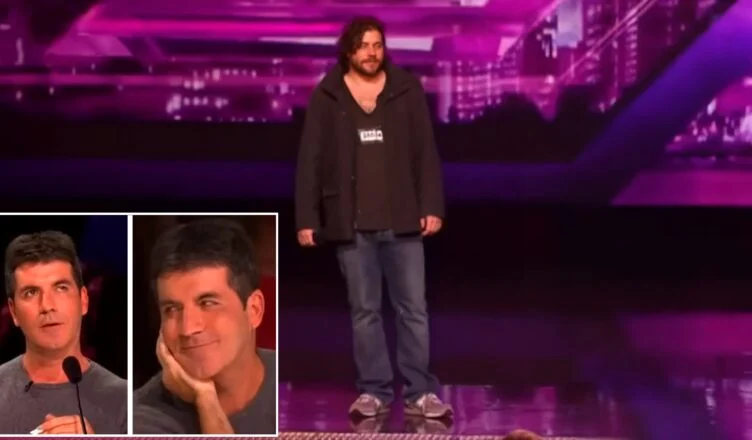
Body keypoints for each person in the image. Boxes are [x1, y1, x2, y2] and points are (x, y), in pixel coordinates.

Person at [295, 16, 451, 419]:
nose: (371, 53)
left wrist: (431, 206)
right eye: (364, 45)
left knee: (413, 309)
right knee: (365, 312)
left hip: (403, 220)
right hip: (351, 225)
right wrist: (307, 217)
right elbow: (311, 160)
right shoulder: (328, 94)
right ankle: (374, 392)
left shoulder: (406, 89)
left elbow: (425, 152)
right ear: (349, 50)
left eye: (377, 45)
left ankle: (420, 393)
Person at [133, 218, 276, 434]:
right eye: (172, 309)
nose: (188, 328)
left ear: (254, 310)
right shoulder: (143, 419)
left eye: (208, 303)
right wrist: (206, 399)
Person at [0, 231, 127, 434]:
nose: (47, 306)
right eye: (31, 292)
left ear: (83, 300)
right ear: (13, 311)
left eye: (60, 288)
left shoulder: (126, 403)